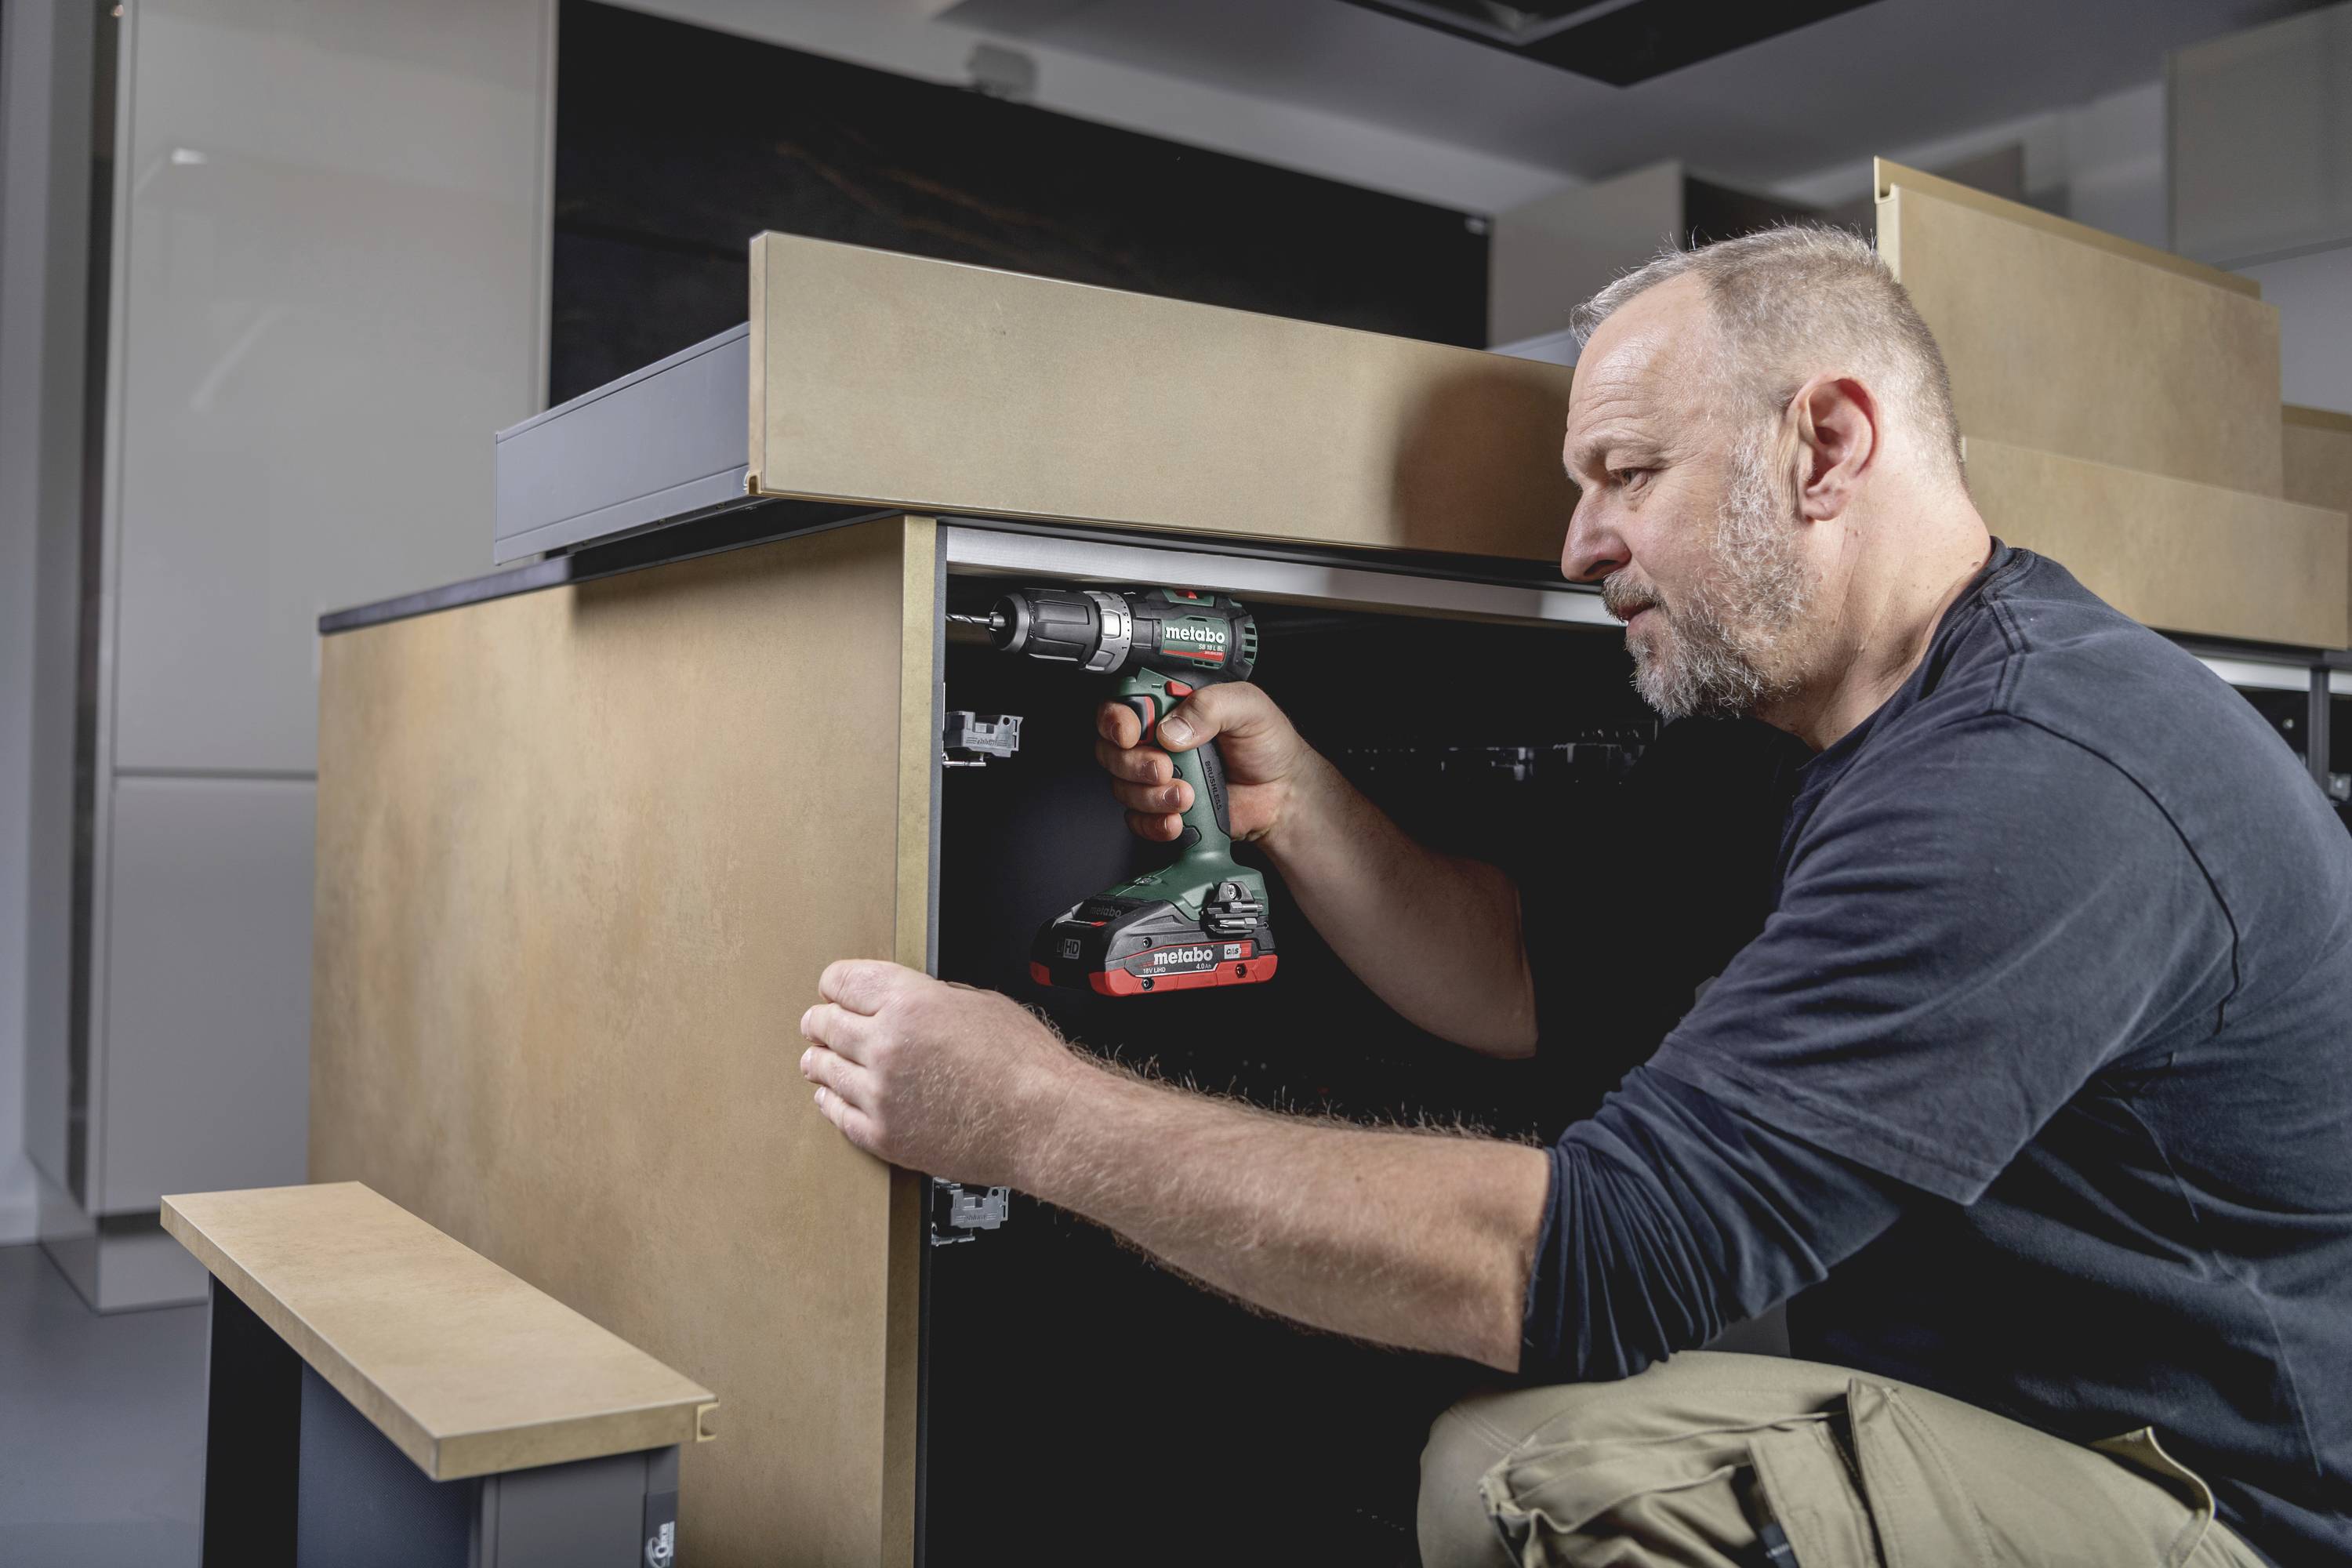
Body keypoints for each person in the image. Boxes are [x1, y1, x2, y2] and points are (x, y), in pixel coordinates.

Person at [795, 225, 2350, 1566]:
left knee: (1554, 1468)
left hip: (2222, 1514)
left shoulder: (2039, 775)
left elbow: (1598, 1268)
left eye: (1629, 474)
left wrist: (1029, 1116)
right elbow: (1529, 975)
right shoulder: (1791, 725)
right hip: (2012, 1427)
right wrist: (1302, 807)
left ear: (1825, 447)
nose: (1577, 544)